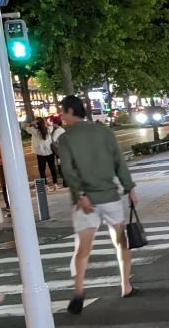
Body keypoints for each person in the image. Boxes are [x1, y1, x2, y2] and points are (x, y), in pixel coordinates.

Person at [56, 95, 137, 314]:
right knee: (121, 241)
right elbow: (119, 161)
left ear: (70, 111)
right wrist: (129, 187)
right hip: (109, 196)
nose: (61, 115)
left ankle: (79, 291)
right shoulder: (104, 132)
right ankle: (126, 286)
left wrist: (81, 194)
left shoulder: (65, 138)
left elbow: (68, 171)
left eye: (62, 111)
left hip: (84, 201)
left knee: (83, 248)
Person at [28, 117, 58, 190]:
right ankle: (55, 184)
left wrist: (32, 123)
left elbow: (26, 127)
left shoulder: (34, 131)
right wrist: (46, 123)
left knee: (42, 170)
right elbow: (51, 126)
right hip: (50, 152)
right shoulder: (48, 129)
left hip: (40, 153)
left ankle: (45, 186)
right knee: (52, 168)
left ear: (36, 123)